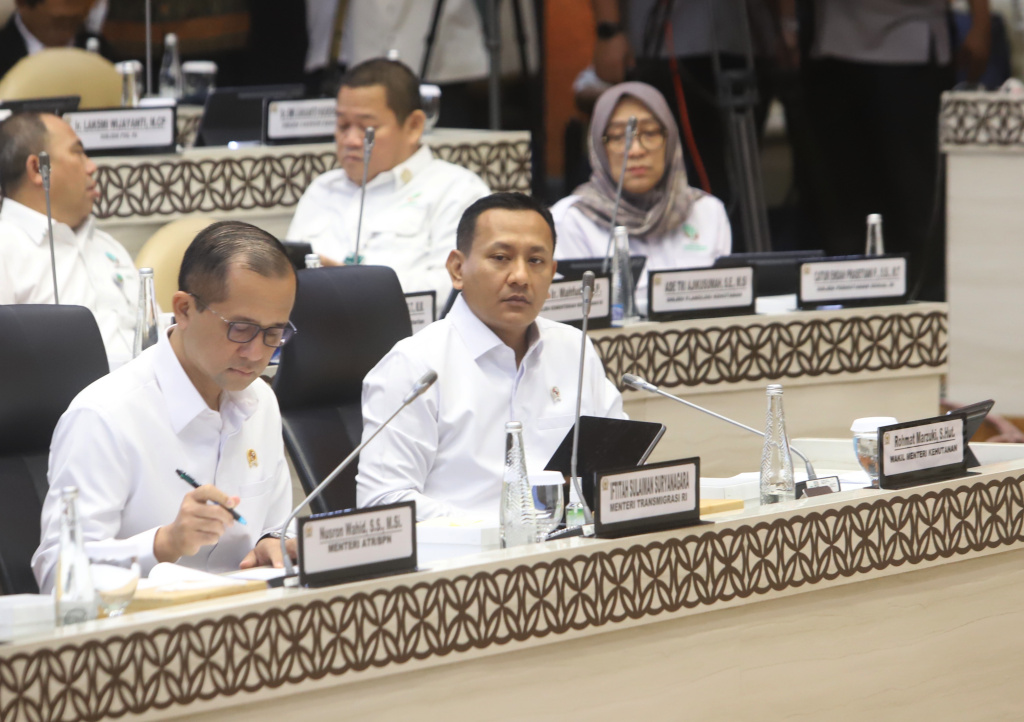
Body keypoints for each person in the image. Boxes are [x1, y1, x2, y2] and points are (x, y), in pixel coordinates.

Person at [32, 221, 299, 593]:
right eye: (240, 328)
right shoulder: (104, 415)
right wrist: (163, 544)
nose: (256, 353)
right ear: (185, 309)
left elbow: (274, 526)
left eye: (274, 333)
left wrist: (270, 542)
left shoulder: (262, 402)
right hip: (144, 640)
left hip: (246, 624)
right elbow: (58, 575)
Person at [356, 192, 625, 520]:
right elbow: (383, 502)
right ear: (457, 268)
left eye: (536, 261)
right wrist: (506, 528)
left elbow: (618, 467)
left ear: (552, 273)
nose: (520, 277)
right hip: (462, 562)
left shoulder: (573, 348)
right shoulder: (415, 365)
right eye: (500, 257)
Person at [801, 0, 991, 300]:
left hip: (910, 39)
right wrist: (786, 23)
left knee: (915, 197)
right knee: (843, 205)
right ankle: (850, 308)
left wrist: (981, 24)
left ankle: (927, 308)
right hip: (833, 44)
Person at [286, 58, 490, 303]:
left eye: (366, 129)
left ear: (414, 126)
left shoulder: (458, 190)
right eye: (342, 125)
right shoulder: (322, 189)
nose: (350, 140)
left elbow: (457, 285)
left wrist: (355, 286)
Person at [551, 81, 731, 315]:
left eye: (649, 132)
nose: (635, 150)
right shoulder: (569, 221)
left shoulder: (707, 212)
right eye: (617, 136)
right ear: (598, 146)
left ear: (670, 140)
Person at [0, 112, 139, 369]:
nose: (91, 166)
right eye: (78, 153)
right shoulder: (5, 248)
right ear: (38, 169)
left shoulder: (107, 244)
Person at [0, 0, 113, 80]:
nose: (68, 28)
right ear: (22, 2)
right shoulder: (4, 53)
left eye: (77, 19)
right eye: (59, 21)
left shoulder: (99, 51)